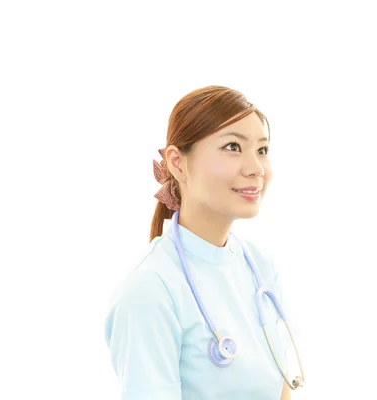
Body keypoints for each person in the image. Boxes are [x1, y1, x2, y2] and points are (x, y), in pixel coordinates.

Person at [103, 86, 301, 399]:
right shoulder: (150, 289)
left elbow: (280, 389)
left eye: (262, 150)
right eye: (233, 146)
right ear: (177, 163)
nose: (256, 168)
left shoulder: (261, 265)